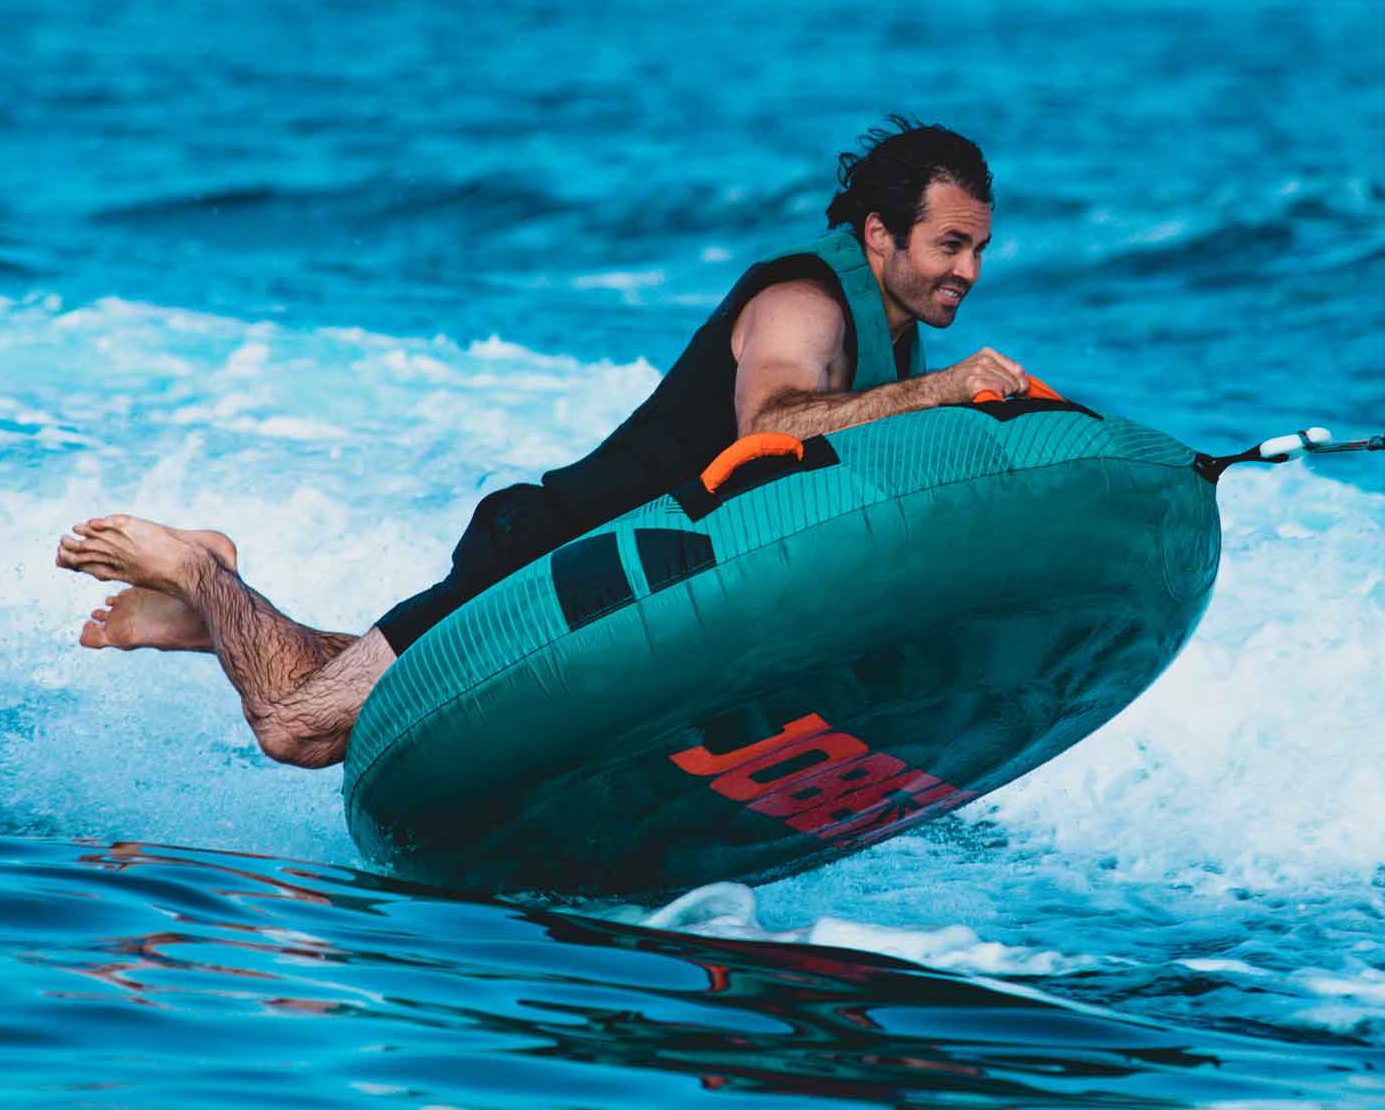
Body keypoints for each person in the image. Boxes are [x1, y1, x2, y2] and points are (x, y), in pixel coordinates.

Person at [54, 118, 1033, 770]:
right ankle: (200, 569)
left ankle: (208, 620)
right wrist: (943, 391)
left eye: (980, 248)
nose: (969, 270)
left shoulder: (892, 332)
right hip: (551, 561)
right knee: (298, 728)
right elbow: (771, 427)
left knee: (411, 692)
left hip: (620, 592)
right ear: (879, 235)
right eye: (950, 245)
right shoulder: (803, 304)